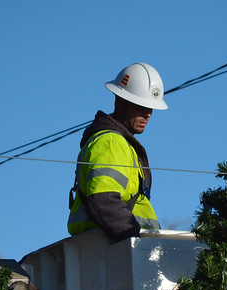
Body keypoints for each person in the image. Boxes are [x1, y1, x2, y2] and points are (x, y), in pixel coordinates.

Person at [68, 63, 167, 241]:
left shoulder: (119, 143)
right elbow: (104, 201)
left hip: (114, 249)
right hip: (114, 251)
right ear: (120, 102)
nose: (148, 114)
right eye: (142, 106)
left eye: (151, 108)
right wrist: (134, 242)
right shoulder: (111, 142)